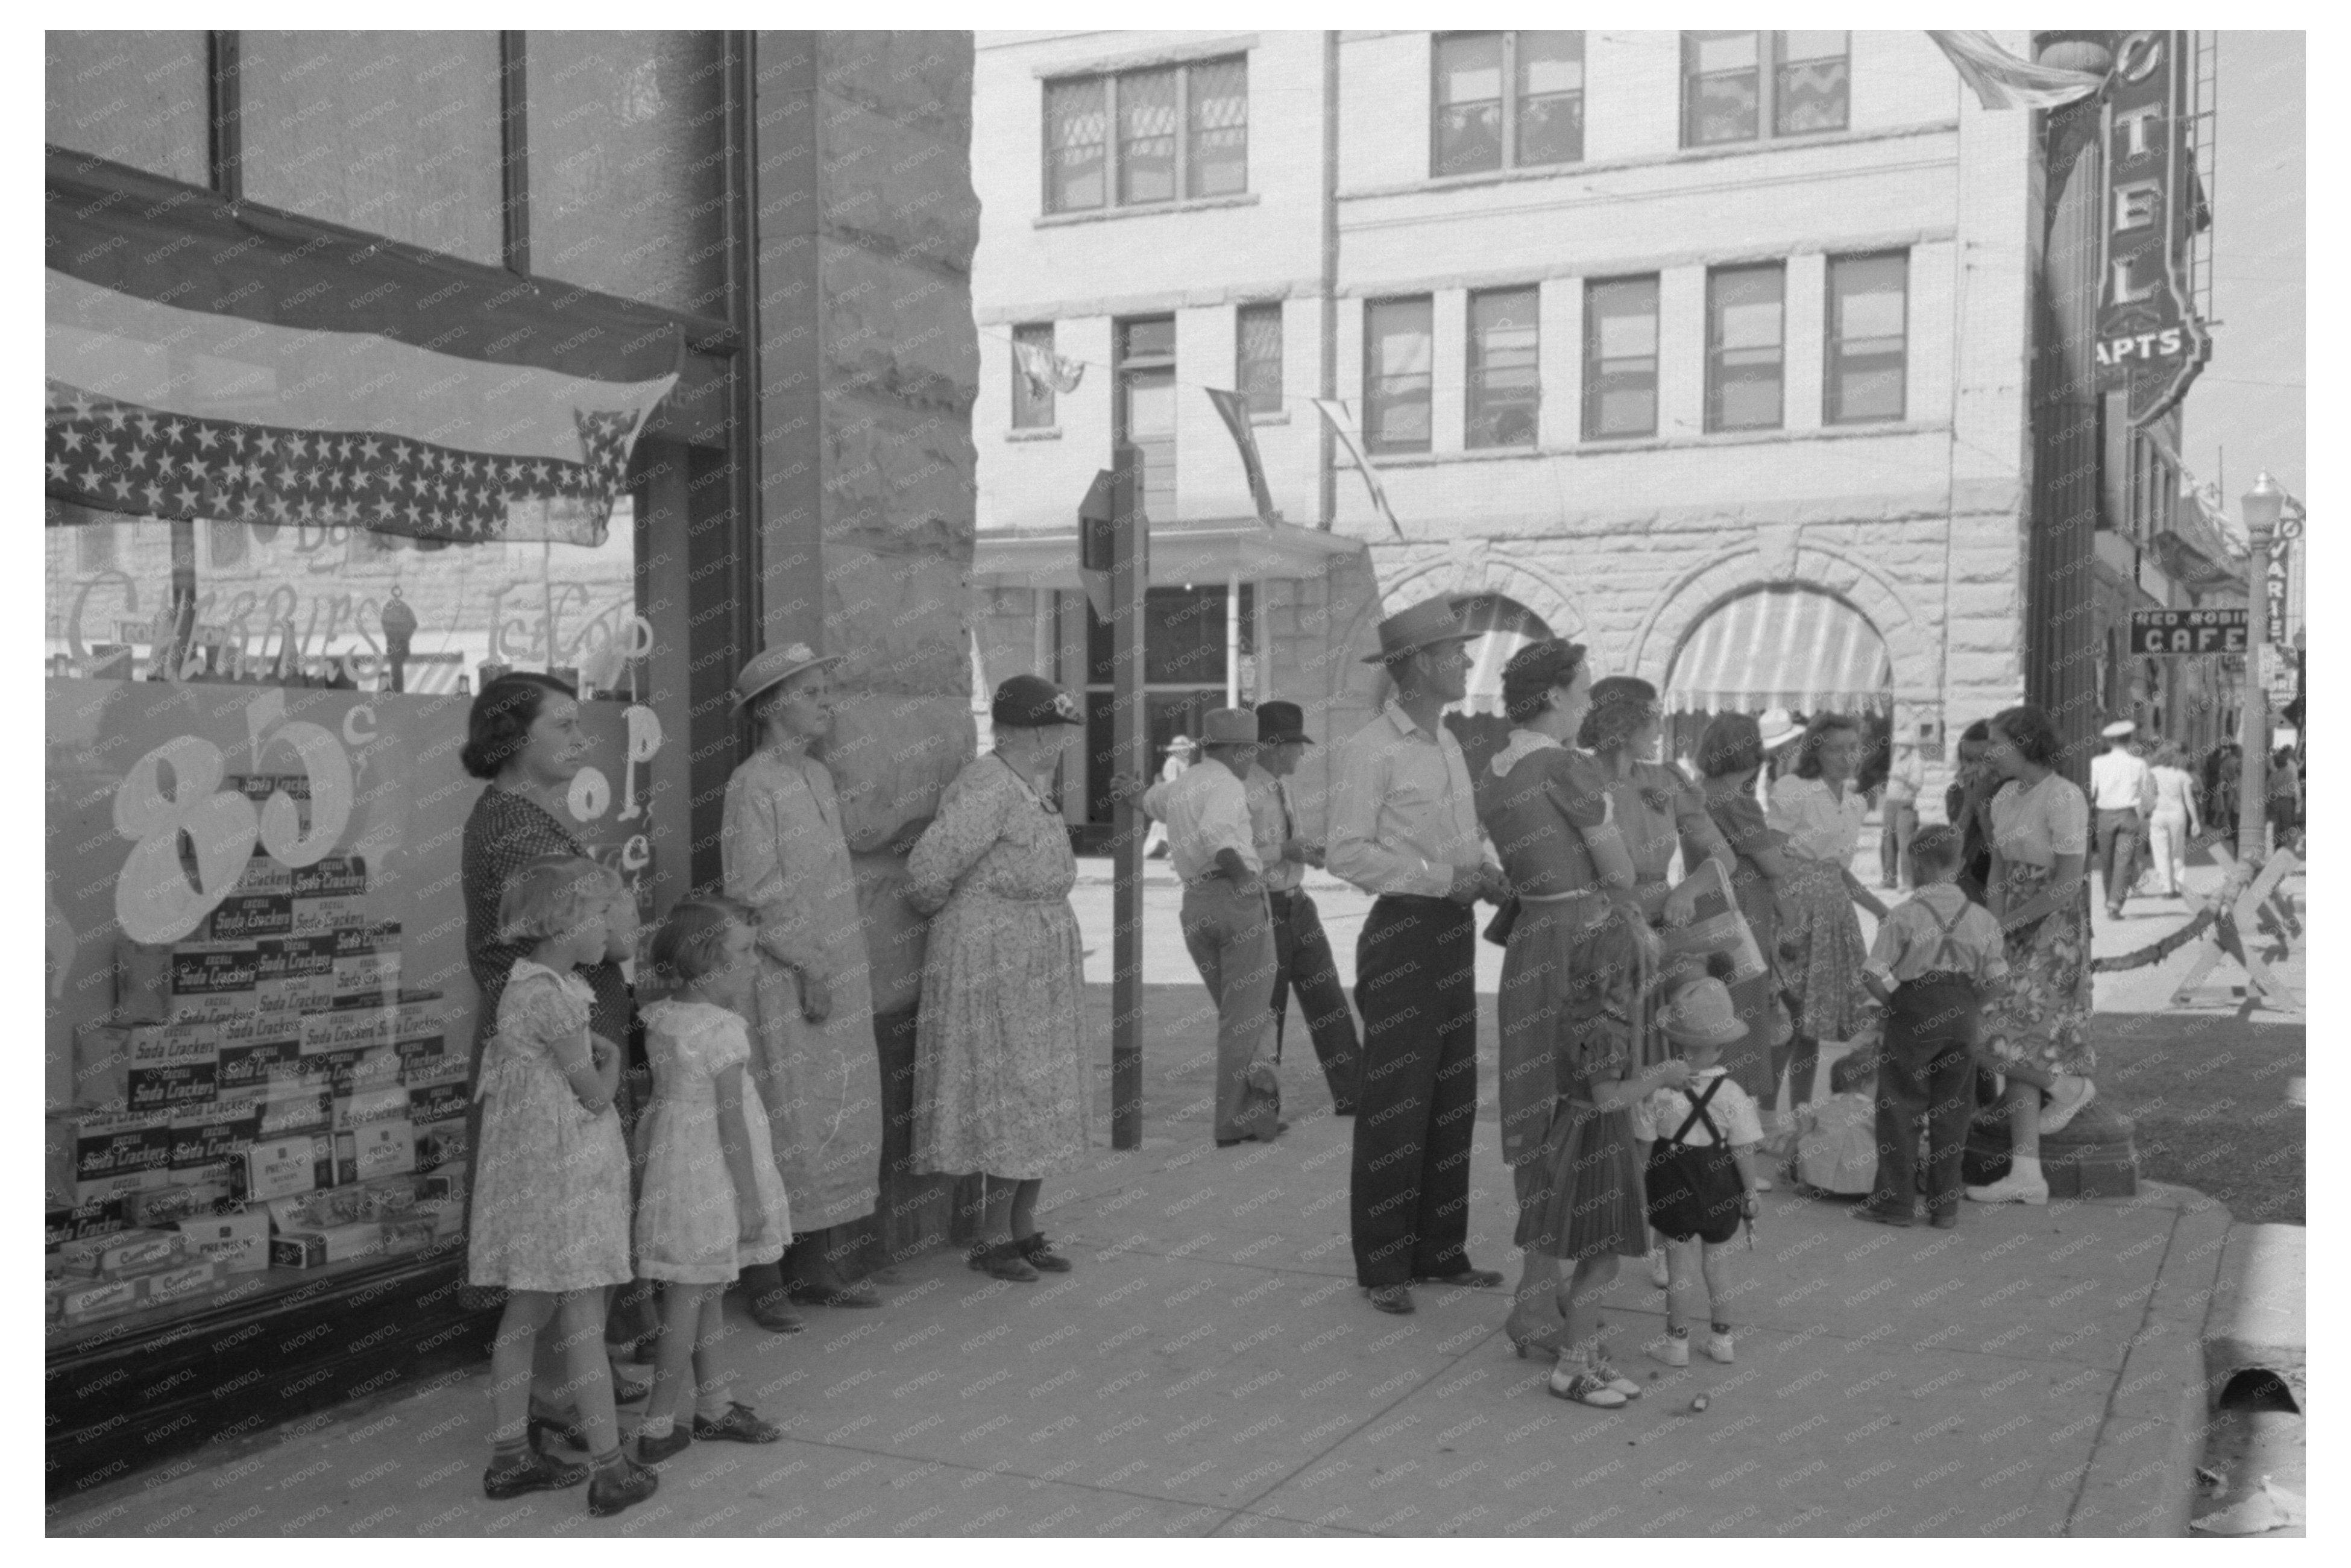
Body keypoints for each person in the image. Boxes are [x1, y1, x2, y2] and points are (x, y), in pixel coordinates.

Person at [458, 674, 654, 1410]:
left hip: (572, 1037)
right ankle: (554, 1400)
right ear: (513, 739)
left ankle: (575, 1383)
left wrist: (614, 918)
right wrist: (615, 916)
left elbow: (609, 925)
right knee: (560, 1229)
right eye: (563, 727)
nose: (581, 740)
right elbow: (606, 934)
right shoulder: (514, 827)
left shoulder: (527, 814)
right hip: (554, 1057)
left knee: (576, 1222)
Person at [1327, 596, 1509, 1317]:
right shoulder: (1372, 748)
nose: (1466, 662)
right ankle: (1383, 1265)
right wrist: (1441, 880)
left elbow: (1463, 836)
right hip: (1404, 929)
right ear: (1418, 667)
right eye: (1455, 653)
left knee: (1451, 1095)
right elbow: (1346, 851)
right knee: (1397, 1103)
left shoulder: (1448, 743)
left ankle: (1440, 1249)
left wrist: (1486, 871)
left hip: (1451, 932)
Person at [468, 857, 656, 1517]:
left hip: (529, 1188)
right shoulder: (559, 997)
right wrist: (611, 1058)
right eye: (600, 915)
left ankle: (509, 1453)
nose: (610, 927)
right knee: (583, 1319)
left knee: (525, 1314)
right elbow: (595, 1097)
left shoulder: (522, 991)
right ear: (565, 925)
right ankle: (611, 1467)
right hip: (566, 1183)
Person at [1474, 639, 1642, 1357]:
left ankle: (1539, 1294)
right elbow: (1622, 871)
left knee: (1540, 1111)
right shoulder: (1567, 767)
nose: (1588, 705)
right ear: (1551, 698)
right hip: (1583, 942)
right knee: (1588, 1104)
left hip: (1532, 946)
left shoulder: (1496, 769)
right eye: (1582, 692)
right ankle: (1544, 1300)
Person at [721, 644, 887, 1329]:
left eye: (826, 690)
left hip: (837, 971)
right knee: (783, 1115)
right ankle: (766, 1279)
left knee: (836, 1113)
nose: (825, 702)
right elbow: (754, 892)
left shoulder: (818, 776)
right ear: (772, 706)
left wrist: (836, 966)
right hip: (784, 975)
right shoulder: (751, 785)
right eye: (811, 692)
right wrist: (808, 964)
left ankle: (819, 1264)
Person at [906, 675, 1092, 1282]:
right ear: (1028, 731)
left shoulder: (1025, 787)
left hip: (1034, 960)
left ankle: (1023, 1223)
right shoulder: (989, 785)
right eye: (1057, 729)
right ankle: (992, 1237)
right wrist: (978, 926)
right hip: (994, 960)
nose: (1065, 740)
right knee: (1007, 1091)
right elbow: (929, 871)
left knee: (1041, 1089)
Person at [631, 896, 793, 1464]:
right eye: (745, 951)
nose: (754, 963)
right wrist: (750, 1198)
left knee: (702, 1285)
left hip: (676, 1166)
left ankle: (715, 1403)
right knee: (688, 1297)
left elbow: (659, 1107)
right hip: (712, 1176)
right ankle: (656, 1425)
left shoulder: (663, 1017)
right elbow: (731, 1124)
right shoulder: (723, 1030)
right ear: (707, 961)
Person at [1516, 907, 1699, 1408]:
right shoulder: (1607, 1029)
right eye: (1641, 974)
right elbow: (1609, 1097)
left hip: (1577, 1132)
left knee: (1599, 1256)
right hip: (1595, 1140)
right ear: (1625, 975)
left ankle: (1584, 1354)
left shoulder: (1578, 1012)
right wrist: (1661, 1075)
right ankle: (1572, 1367)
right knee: (1600, 1261)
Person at [1968, 705, 2098, 1206]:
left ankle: (2066, 1087)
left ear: (2024, 743)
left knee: (1999, 1033)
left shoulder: (2065, 797)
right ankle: (2028, 1172)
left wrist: (2010, 923)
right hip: (2012, 922)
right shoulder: (2003, 796)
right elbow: (1999, 867)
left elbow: (2068, 883)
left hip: (2053, 930)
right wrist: (1991, 926)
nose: (1988, 752)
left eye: (1997, 742)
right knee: (2017, 1040)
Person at [1141, 708, 1285, 1148]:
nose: (1252, 760)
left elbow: (1147, 800)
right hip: (1234, 900)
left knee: (1240, 1012)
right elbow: (1218, 835)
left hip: (1195, 903)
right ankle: (1232, 1120)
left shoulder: (1185, 782)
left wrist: (1128, 791)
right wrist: (1244, 879)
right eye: (1251, 751)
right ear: (1240, 750)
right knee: (1245, 1017)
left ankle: (1259, 1112)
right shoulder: (1227, 784)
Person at [1853, 827, 2007, 1229]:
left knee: (1900, 1106)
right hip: (1962, 1012)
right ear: (1958, 865)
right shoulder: (1983, 919)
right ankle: (1945, 1206)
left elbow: (1871, 974)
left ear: (1916, 863)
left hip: (1913, 1010)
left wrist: (1895, 1005)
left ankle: (1896, 1203)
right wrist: (1972, 1006)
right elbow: (1998, 979)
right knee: (1953, 1111)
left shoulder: (1903, 915)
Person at [1631, 977, 1764, 1367]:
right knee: (1717, 1262)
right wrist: (1750, 1193)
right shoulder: (1734, 1094)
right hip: (1720, 1181)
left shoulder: (1658, 1092)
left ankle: (1676, 1343)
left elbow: (1642, 1148)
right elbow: (1743, 1148)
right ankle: (1723, 1339)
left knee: (1678, 1266)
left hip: (1672, 1181)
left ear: (1677, 1042)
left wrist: (1639, 1194)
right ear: (1722, 1045)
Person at [1767, 714, 1889, 1116]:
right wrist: (1783, 918)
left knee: (1813, 1028)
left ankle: (1800, 1115)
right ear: (1816, 749)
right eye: (1836, 748)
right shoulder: (1794, 789)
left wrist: (1881, 910)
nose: (1847, 757)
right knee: (1785, 1023)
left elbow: (1839, 870)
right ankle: (1767, 1118)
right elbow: (1773, 855)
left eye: (1853, 747)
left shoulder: (1855, 802)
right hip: (1795, 910)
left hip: (1834, 913)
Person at [1250, 701, 1362, 1113]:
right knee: (1268, 1011)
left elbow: (1287, 843)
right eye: (1298, 745)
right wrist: (1283, 849)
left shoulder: (1282, 785)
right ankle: (1261, 1109)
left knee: (1329, 1001)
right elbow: (1233, 855)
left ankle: (1354, 1093)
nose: (1302, 754)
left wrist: (1306, 851)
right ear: (1278, 746)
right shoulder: (1244, 791)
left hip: (1299, 904)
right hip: (1264, 909)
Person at [1687, 713, 1794, 1122]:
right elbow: (1771, 863)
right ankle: (1734, 1127)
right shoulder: (1736, 801)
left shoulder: (1699, 792)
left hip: (1708, 910)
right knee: (1743, 1020)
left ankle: (1712, 1120)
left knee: (1713, 1013)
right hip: (1743, 915)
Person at [2089, 720, 2153, 919]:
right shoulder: (2139, 763)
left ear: (2109, 741)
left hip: (2105, 815)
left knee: (2106, 861)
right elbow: (2147, 794)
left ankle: (2110, 898)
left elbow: (2091, 790)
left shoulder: (2097, 763)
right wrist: (2145, 813)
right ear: (2129, 740)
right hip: (2128, 815)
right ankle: (2114, 904)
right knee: (2124, 862)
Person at [1945, 720, 1998, 905]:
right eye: (1968, 759)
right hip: (1967, 885)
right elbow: (1953, 847)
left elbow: (1999, 851)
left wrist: (1983, 806)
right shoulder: (1956, 793)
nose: (1974, 767)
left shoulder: (2008, 792)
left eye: (1983, 759)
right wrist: (1968, 804)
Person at [2144, 743, 2203, 897]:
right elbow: (2189, 800)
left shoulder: (2152, 773)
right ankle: (2178, 886)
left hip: (2158, 814)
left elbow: (2147, 796)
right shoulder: (2182, 775)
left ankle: (2166, 888)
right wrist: (2195, 821)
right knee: (2177, 852)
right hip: (2177, 814)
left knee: (2160, 852)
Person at [1879, 735, 1925, 890]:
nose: (1898, 749)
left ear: (1910, 746)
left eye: (1902, 746)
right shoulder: (1897, 760)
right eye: (1897, 745)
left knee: (1905, 845)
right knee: (1887, 843)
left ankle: (1908, 882)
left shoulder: (1916, 762)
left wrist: (1900, 778)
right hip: (1890, 804)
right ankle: (1889, 880)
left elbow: (1917, 786)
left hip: (1905, 806)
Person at [1141, 735, 1195, 860]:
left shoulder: (1186, 763)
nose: (1186, 751)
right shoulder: (1173, 762)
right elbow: (1172, 781)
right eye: (1183, 749)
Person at [2203, 740, 2242, 844]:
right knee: (2232, 809)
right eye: (2239, 750)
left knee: (2226, 808)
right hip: (2232, 786)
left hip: (2225, 785)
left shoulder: (2226, 760)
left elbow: (2221, 773)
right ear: (2235, 751)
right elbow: (2237, 774)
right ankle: (2233, 831)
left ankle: (2228, 828)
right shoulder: (2235, 761)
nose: (2240, 752)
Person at [2267, 748, 2302, 854]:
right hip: (2288, 802)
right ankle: (2287, 849)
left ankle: (2277, 848)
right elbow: (2296, 789)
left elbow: (2268, 791)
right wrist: (2298, 804)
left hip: (2276, 802)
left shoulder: (2273, 776)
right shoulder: (2291, 774)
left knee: (2277, 826)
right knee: (2287, 825)